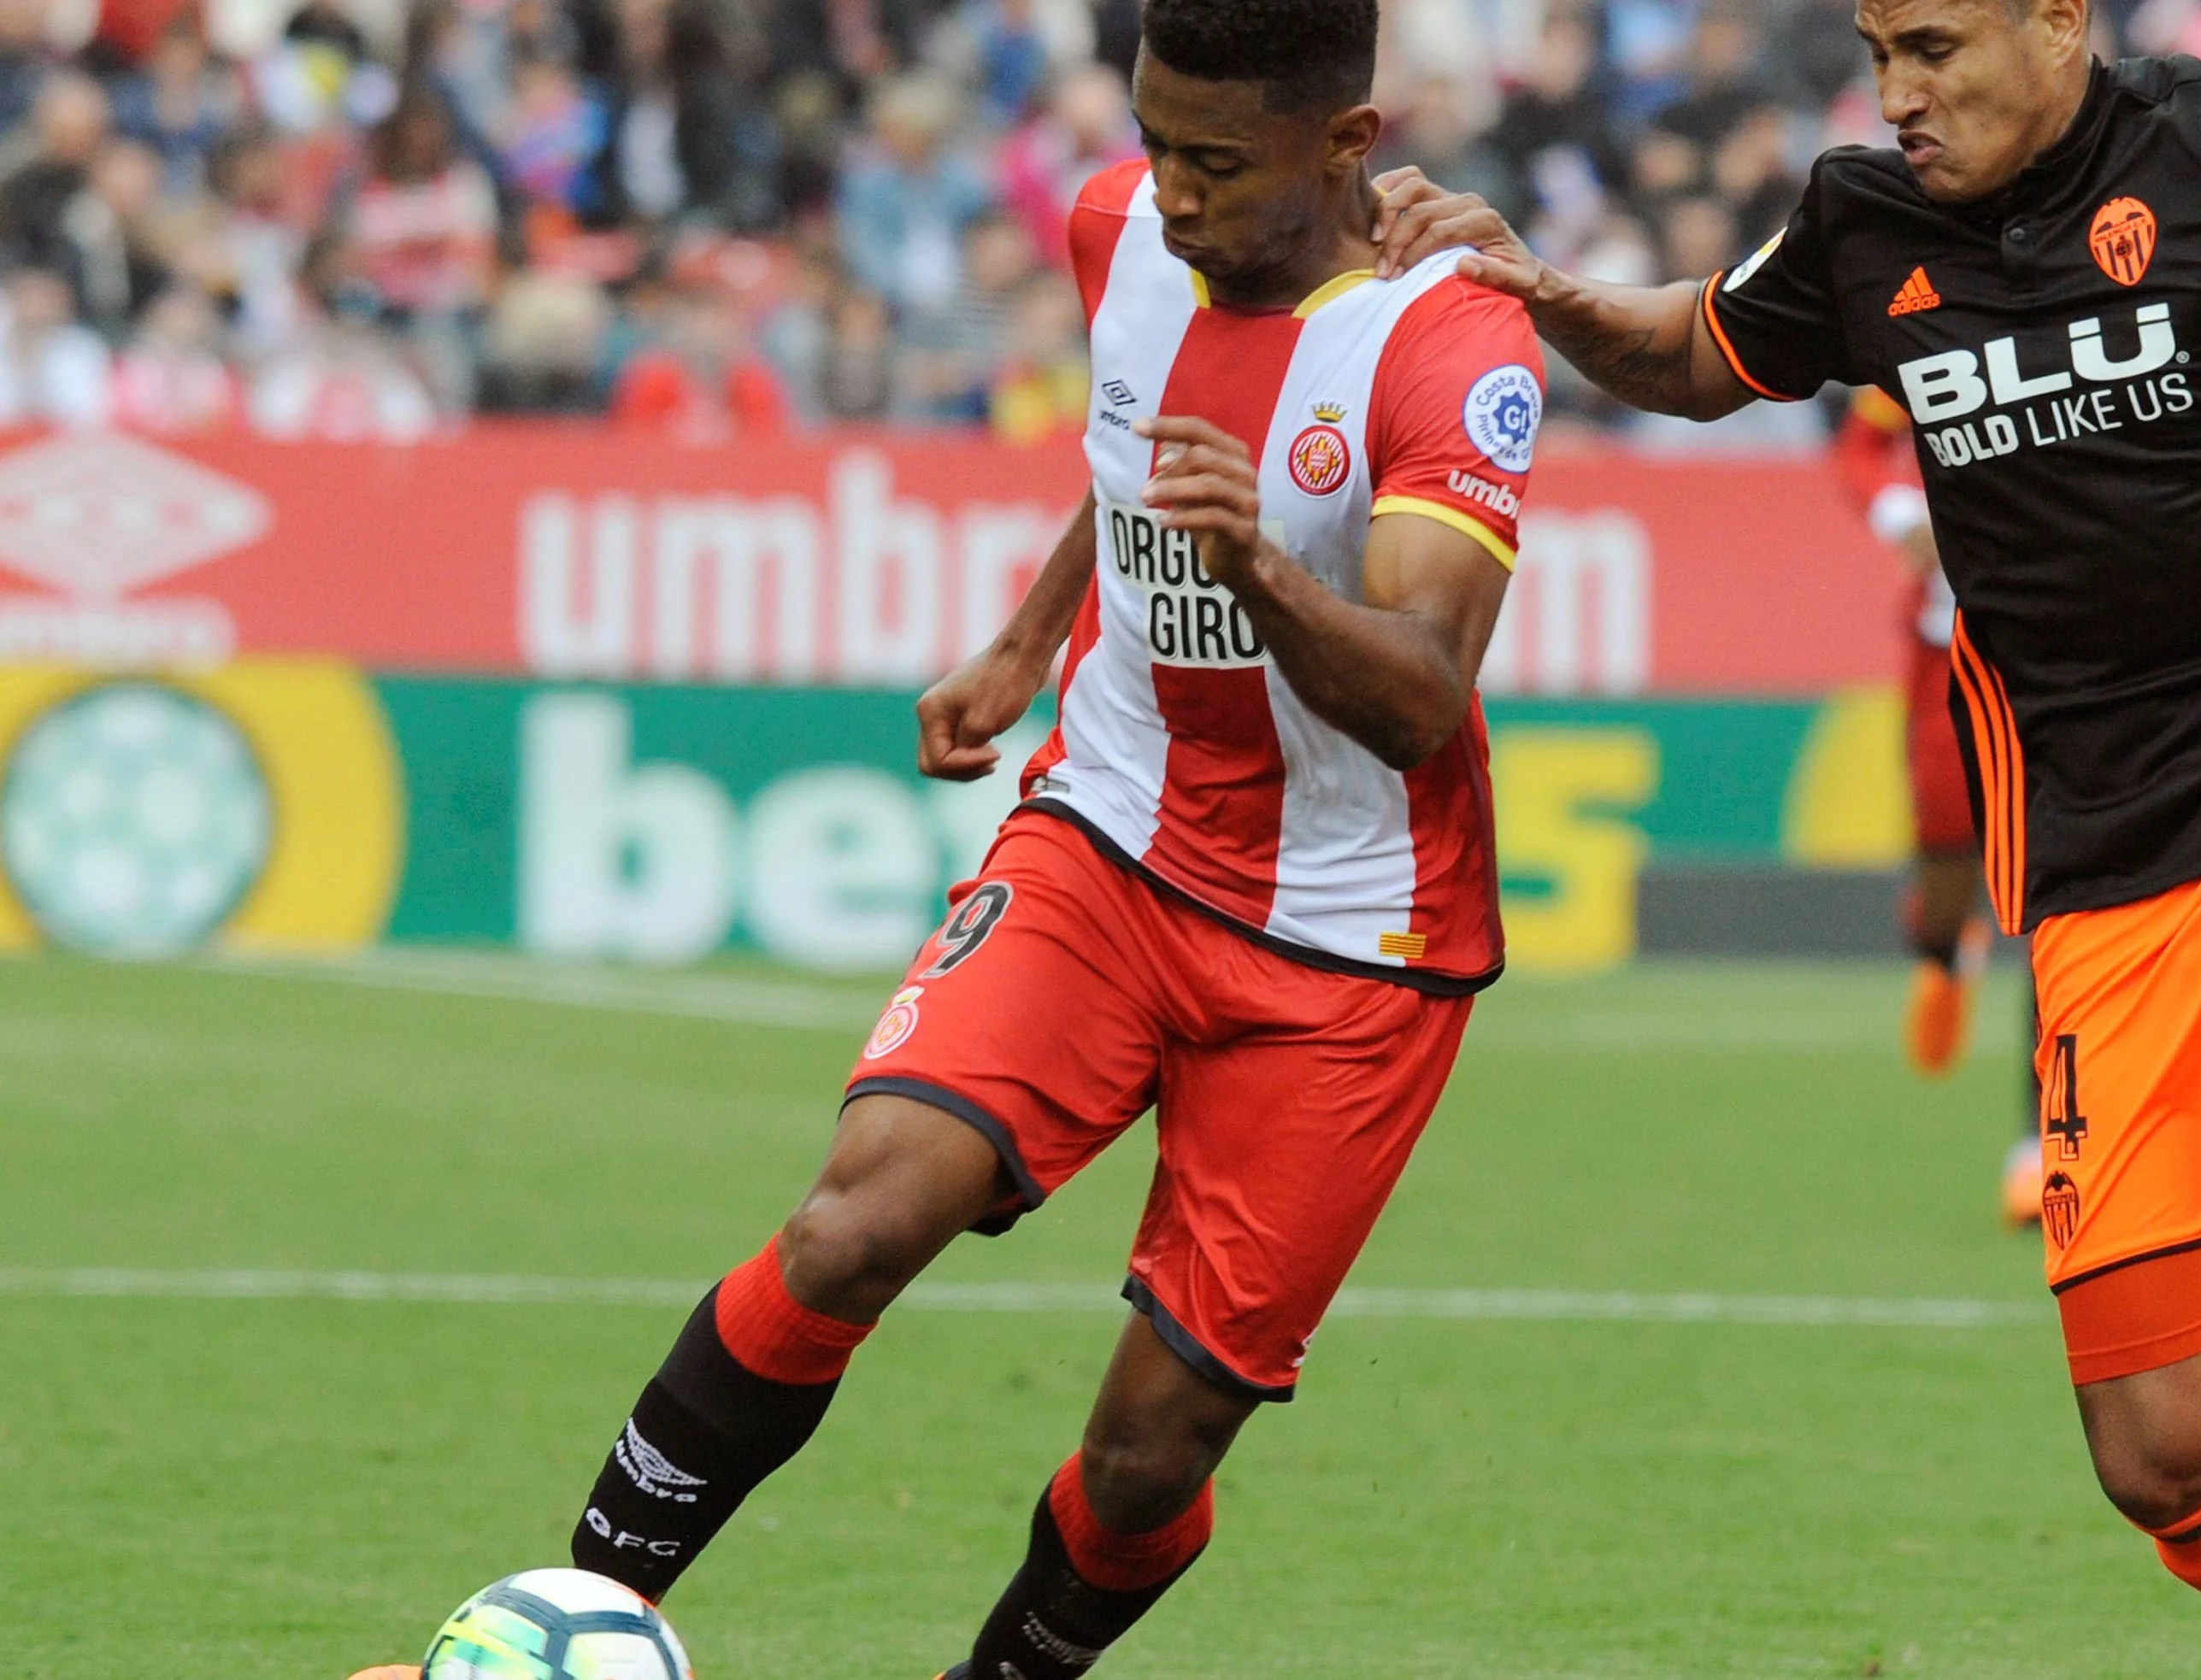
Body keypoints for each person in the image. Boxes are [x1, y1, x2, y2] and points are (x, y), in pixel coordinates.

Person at [1374, 0, 2201, 1675]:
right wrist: (1545, 295)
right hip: (2100, 874)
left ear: (2055, 20)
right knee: (2160, 1455)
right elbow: (1700, 353)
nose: (1897, 92)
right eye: (1874, 54)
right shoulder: (1867, 218)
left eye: (1932, 46)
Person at [350, 5, 1542, 1679]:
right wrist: (1023, 636)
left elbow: (1420, 695)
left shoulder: (1453, 343)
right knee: (852, 1220)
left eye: (1219, 161)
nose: (1175, 194)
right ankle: (554, 1634)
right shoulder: (1110, 225)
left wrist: (1264, 566)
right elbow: (1135, 456)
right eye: (1157, 142)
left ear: (1347, 142)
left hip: (1350, 946)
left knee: (1148, 1457)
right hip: (1112, 834)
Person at [1833, 386, 2046, 1225]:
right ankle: (1941, 947)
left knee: (2051, 912)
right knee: (1948, 867)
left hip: (2054, 659)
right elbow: (1859, 445)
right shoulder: (1927, 314)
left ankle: (2039, 1145)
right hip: (1945, 656)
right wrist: (1897, 515)